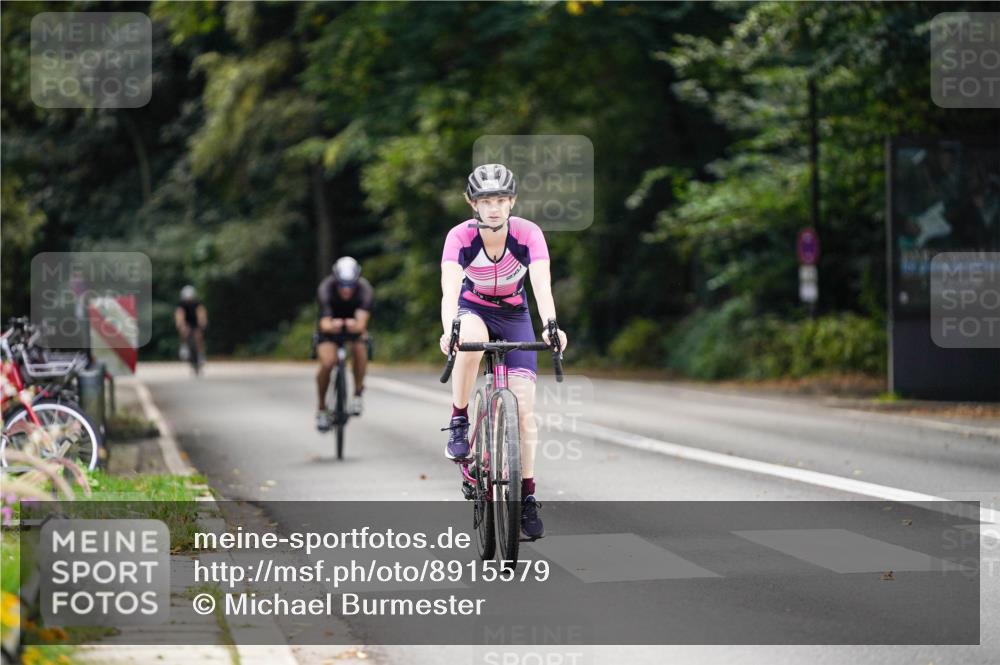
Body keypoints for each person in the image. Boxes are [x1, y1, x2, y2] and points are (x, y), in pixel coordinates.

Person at [439, 163, 568, 540]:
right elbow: (449, 288)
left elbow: (542, 286)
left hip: (515, 312)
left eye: (500, 200)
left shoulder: (528, 234)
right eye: (485, 200)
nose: (493, 208)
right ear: (472, 203)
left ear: (512, 201)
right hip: (473, 307)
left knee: (526, 413)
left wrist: (551, 325)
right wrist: (450, 330)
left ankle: (526, 496)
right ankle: (460, 418)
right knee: (469, 338)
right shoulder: (459, 237)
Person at [315, 256, 373, 431]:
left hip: (353, 328)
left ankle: (357, 394)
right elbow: (325, 324)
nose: (346, 290)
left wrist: (350, 325)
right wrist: (337, 325)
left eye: (350, 285)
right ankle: (322, 408)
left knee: (360, 346)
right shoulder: (326, 288)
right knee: (328, 362)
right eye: (342, 285)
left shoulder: (365, 290)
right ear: (336, 280)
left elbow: (361, 324)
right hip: (330, 330)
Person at [175, 285, 207, 368]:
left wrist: (202, 322)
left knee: (198, 335)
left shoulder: (197, 303)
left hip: (195, 321)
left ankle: (200, 354)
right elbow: (179, 314)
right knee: (184, 330)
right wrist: (180, 324)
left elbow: (201, 312)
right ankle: (184, 346)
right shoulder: (181, 304)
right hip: (186, 321)